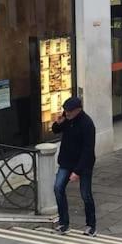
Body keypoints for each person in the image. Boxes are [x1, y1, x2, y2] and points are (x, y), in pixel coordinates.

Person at [52, 97, 97, 236]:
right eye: (65, 110)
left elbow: (88, 150)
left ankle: (91, 225)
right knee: (58, 188)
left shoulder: (87, 124)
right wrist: (57, 124)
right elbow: (56, 131)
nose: (67, 113)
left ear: (78, 110)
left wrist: (77, 171)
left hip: (83, 164)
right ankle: (64, 223)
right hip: (66, 161)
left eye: (69, 111)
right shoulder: (66, 118)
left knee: (85, 194)